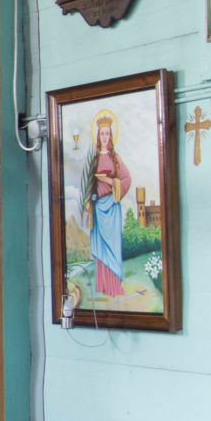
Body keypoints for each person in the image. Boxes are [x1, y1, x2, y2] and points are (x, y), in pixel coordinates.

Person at [81, 110, 133, 301]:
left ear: (111, 136)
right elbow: (88, 183)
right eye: (102, 133)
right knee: (101, 247)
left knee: (112, 246)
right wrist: (88, 201)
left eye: (107, 133)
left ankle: (114, 287)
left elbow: (126, 179)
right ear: (98, 135)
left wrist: (110, 182)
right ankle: (103, 286)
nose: (104, 137)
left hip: (111, 207)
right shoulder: (93, 159)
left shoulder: (115, 158)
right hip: (97, 208)